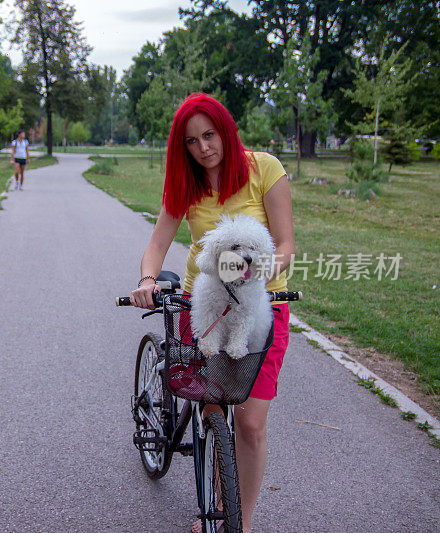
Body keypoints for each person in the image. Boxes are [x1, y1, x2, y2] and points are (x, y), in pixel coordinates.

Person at [129, 93, 295, 533]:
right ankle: (216, 505)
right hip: (205, 307)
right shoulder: (186, 183)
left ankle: (240, 522)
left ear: (225, 130)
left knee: (252, 423)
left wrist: (252, 274)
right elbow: (157, 245)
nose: (204, 148)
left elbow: (285, 247)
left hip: (261, 307)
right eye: (192, 141)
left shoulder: (265, 169)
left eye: (210, 135)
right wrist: (148, 281)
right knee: (212, 405)